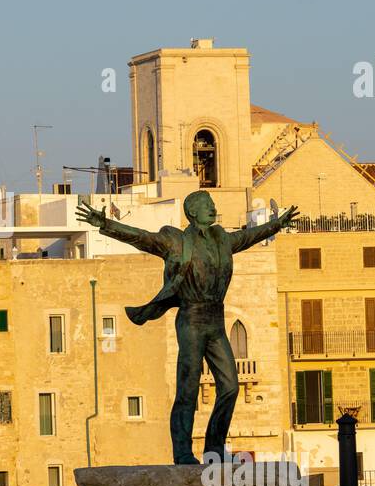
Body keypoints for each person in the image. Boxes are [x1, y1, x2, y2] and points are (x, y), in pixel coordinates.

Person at [76, 192, 297, 464]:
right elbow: (142, 237)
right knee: (188, 389)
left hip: (215, 319)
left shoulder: (222, 240)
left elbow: (250, 236)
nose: (213, 208)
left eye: (212, 204)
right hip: (191, 319)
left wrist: (277, 223)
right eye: (207, 205)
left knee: (230, 385)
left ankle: (214, 449)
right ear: (192, 212)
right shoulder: (177, 241)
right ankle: (182, 451)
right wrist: (106, 224)